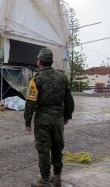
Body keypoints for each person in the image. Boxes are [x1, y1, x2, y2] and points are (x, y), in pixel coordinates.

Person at [24, 48, 75, 187]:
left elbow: (30, 102)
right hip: (58, 120)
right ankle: (57, 177)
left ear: (39, 61)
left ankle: (45, 180)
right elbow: (69, 100)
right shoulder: (62, 77)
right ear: (51, 61)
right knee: (57, 148)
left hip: (42, 122)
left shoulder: (36, 79)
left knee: (44, 149)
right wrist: (67, 116)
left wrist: (27, 121)